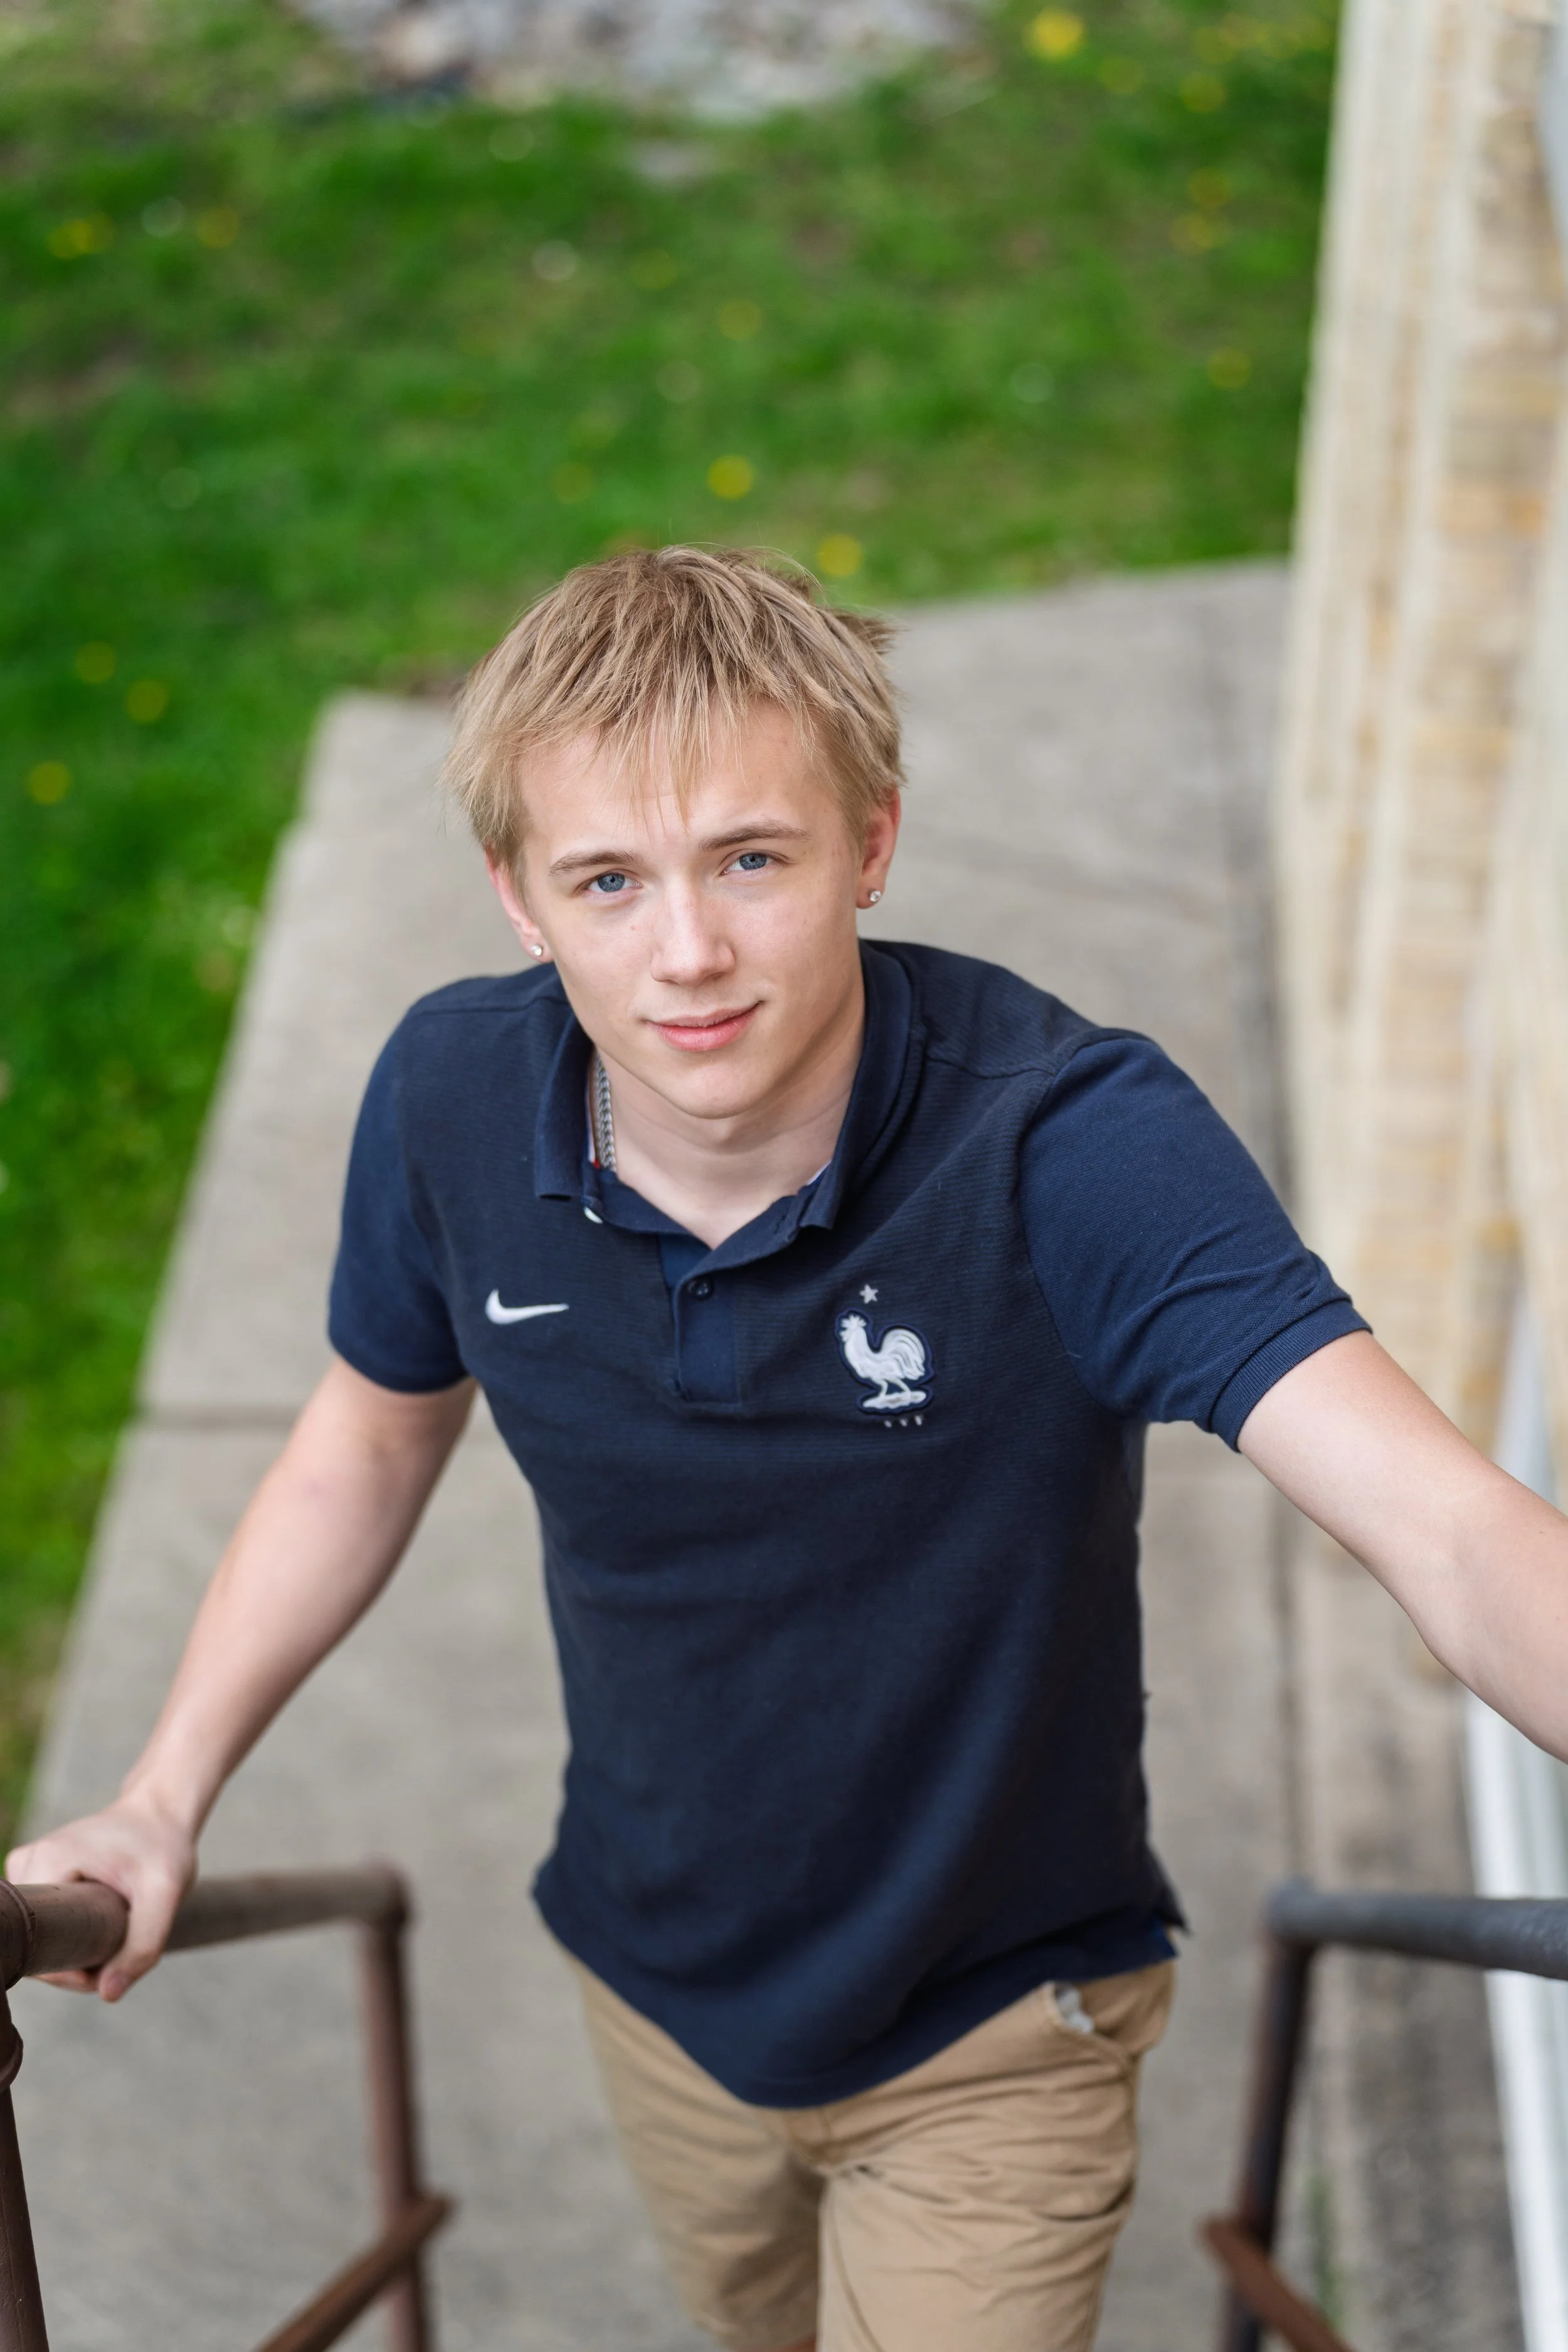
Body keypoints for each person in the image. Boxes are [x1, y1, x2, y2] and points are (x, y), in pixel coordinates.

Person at [12, 546, 1568, 2352]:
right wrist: (163, 1789)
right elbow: (365, 1439)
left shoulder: (1067, 1144)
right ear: (517, 896)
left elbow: (1448, 1531)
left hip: (997, 2024)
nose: (688, 952)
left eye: (751, 856)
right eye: (609, 879)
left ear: (871, 843)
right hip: (657, 1983)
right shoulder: (445, 1094)